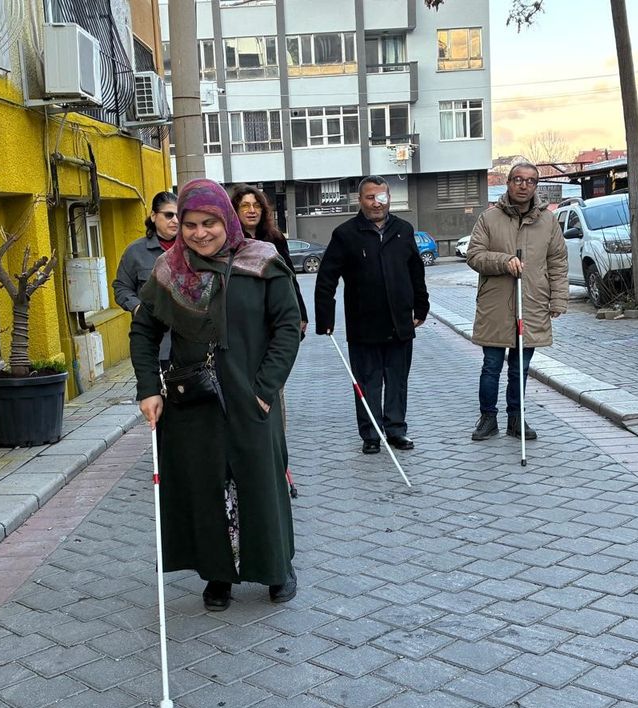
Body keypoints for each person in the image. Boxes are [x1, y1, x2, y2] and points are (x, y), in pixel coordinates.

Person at [129, 178, 302, 612]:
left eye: (209, 223)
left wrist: (264, 389)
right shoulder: (169, 270)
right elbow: (143, 331)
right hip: (193, 402)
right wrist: (148, 388)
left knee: (261, 482)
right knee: (206, 486)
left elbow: (287, 328)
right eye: (189, 224)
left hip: (251, 397)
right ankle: (218, 574)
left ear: (226, 219)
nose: (200, 233)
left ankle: (277, 567)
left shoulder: (262, 262)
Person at [315, 175, 429, 455]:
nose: (377, 203)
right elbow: (326, 278)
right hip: (363, 325)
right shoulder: (345, 234)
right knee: (367, 383)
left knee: (397, 381)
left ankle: (396, 430)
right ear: (360, 200)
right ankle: (371, 434)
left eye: (381, 197)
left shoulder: (403, 230)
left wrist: (421, 306)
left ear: (388, 198)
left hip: (400, 322)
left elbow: (416, 271)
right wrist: (325, 319)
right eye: (370, 197)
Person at [465, 162, 567, 441]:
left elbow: (558, 262)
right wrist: (503, 261)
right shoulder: (489, 218)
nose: (524, 185)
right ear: (509, 182)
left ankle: (516, 419)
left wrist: (558, 298)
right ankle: (488, 418)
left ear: (536, 186)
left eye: (530, 181)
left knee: (519, 368)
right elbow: (474, 255)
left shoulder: (548, 221)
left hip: (532, 303)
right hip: (495, 305)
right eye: (518, 179)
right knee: (491, 366)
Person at [230, 184, 308, 336]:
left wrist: (301, 314)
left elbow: (290, 277)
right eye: (245, 206)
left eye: (256, 205)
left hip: (275, 309)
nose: (252, 210)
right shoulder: (230, 241)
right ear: (235, 210)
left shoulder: (275, 238)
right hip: (244, 316)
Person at [114, 191, 179, 365]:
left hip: (189, 343)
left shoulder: (191, 249)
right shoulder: (135, 251)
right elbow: (121, 287)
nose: (175, 220)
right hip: (154, 343)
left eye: (179, 215)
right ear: (154, 216)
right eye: (169, 215)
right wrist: (138, 308)